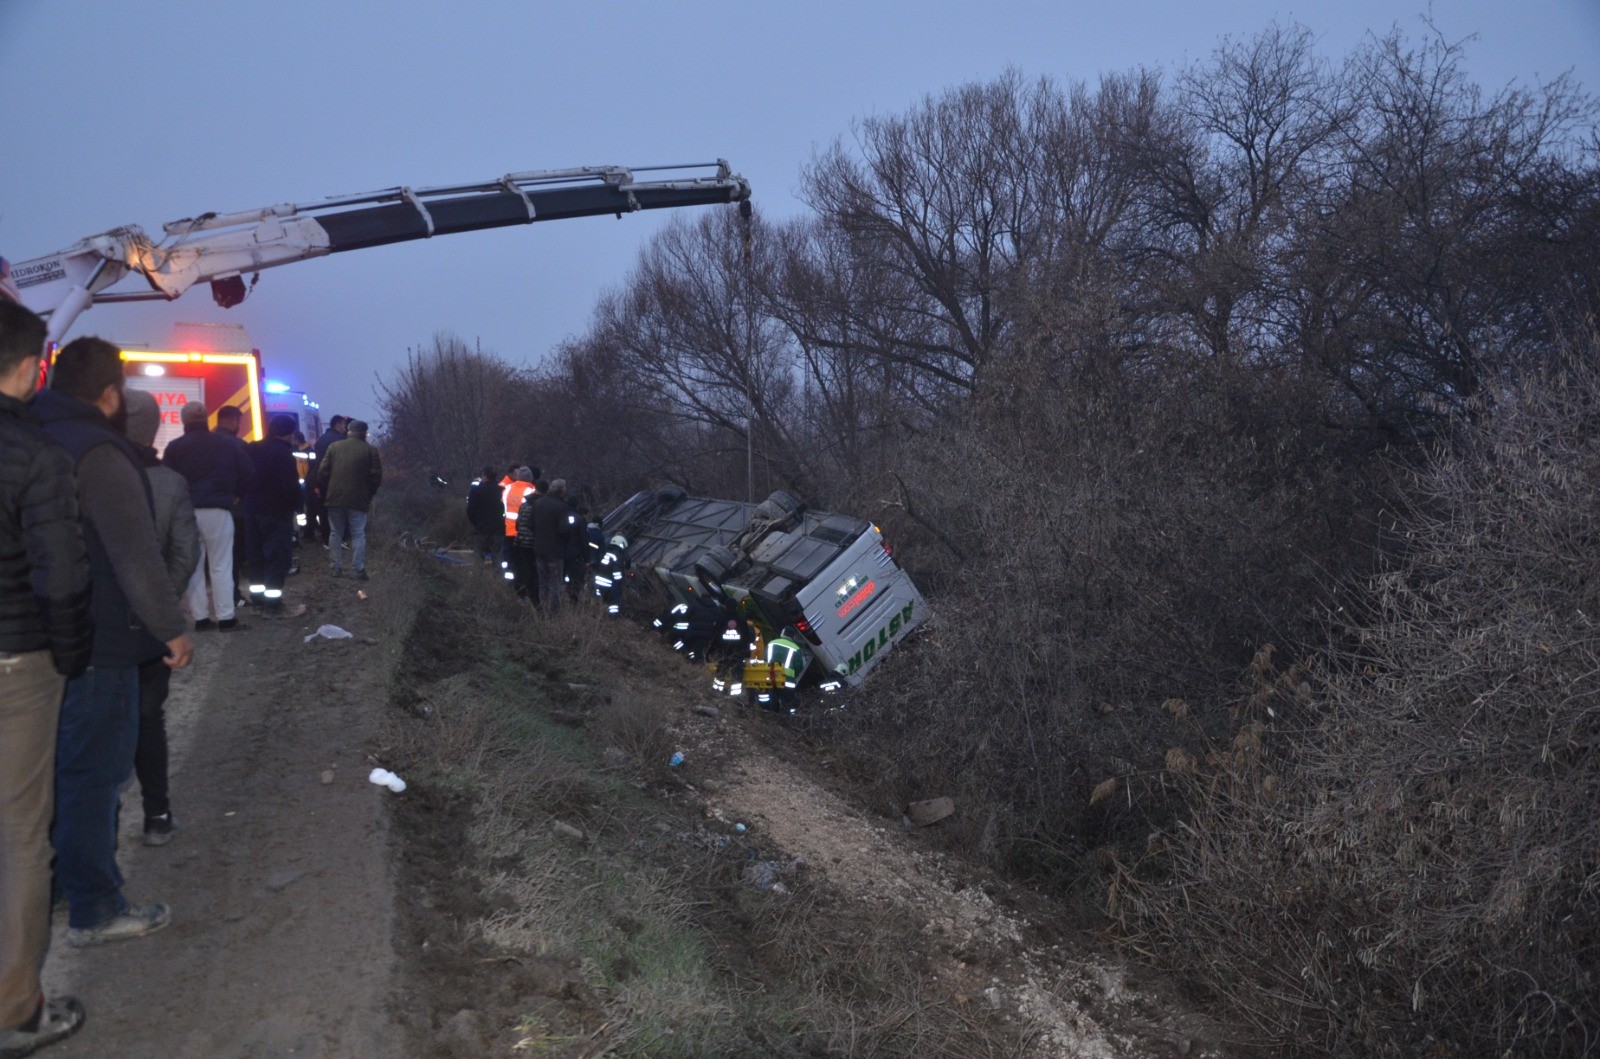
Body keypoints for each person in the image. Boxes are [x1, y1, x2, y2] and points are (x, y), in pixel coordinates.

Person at [33, 336, 192, 949]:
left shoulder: (28, 437)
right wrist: (170, 630)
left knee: (46, 777)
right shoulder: (101, 452)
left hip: (37, 639)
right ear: (108, 394)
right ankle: (95, 907)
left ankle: (49, 889)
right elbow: (135, 554)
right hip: (100, 641)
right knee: (93, 776)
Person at [0, 298, 90, 1057]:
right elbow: (61, 577)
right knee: (21, 835)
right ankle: (15, 1008)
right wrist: (69, 654)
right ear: (32, 369)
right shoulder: (36, 456)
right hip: (15, 661)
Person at [123, 390, 201, 846]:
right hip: (149, 626)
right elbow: (185, 551)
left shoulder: (81, 471)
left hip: (95, 626)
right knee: (149, 719)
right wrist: (163, 601)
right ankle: (157, 815)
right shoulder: (170, 484)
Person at [164, 399, 253, 631]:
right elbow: (248, 472)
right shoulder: (226, 444)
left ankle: (201, 619)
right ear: (206, 419)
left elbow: (168, 481)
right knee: (221, 565)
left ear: (183, 421)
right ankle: (226, 617)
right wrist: (236, 495)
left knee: (193, 566)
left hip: (187, 512)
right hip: (218, 510)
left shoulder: (174, 447)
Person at [241, 414, 303, 616]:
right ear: (290, 433)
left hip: (251, 511)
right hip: (275, 513)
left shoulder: (252, 448)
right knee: (277, 559)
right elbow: (290, 487)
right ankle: (273, 606)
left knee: (256, 557)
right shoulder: (284, 454)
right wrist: (296, 507)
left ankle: (257, 602)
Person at [318, 418, 382, 580]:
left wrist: (327, 492)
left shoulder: (333, 447)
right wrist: (368, 493)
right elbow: (376, 477)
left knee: (335, 533)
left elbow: (322, 473)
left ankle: (336, 567)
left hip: (335, 498)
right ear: (364, 433)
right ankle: (358, 569)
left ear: (348, 431)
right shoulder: (370, 451)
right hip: (358, 499)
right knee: (358, 534)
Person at [213, 405, 251, 611]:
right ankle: (232, 596)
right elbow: (248, 474)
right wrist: (238, 495)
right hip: (232, 510)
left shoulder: (196, 444)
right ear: (233, 421)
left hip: (196, 508)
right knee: (232, 556)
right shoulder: (237, 445)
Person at [526, 478, 577, 613]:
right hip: (556, 550)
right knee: (555, 583)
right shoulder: (563, 507)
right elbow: (564, 530)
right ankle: (553, 614)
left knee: (542, 582)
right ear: (562, 491)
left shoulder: (537, 503)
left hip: (539, 548)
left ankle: (542, 611)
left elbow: (529, 525)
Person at [306, 414, 348, 545]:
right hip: (337, 480)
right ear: (338, 424)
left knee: (323, 511)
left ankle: (326, 539)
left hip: (321, 479)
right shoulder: (341, 439)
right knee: (339, 510)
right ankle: (340, 539)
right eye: (344, 425)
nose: (345, 428)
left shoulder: (321, 440)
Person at [504, 468, 538, 598]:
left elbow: (504, 506)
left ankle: (509, 585)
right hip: (522, 533)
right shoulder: (530, 490)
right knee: (524, 564)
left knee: (510, 561)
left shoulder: (508, 488)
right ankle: (523, 590)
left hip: (507, 529)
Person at [466, 466, 503, 565]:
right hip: (498, 529)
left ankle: (479, 579)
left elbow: (470, 511)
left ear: (485, 476)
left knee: (478, 558)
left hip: (480, 528)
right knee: (498, 558)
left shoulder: (476, 491)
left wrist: (476, 523)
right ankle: (498, 579)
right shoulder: (502, 490)